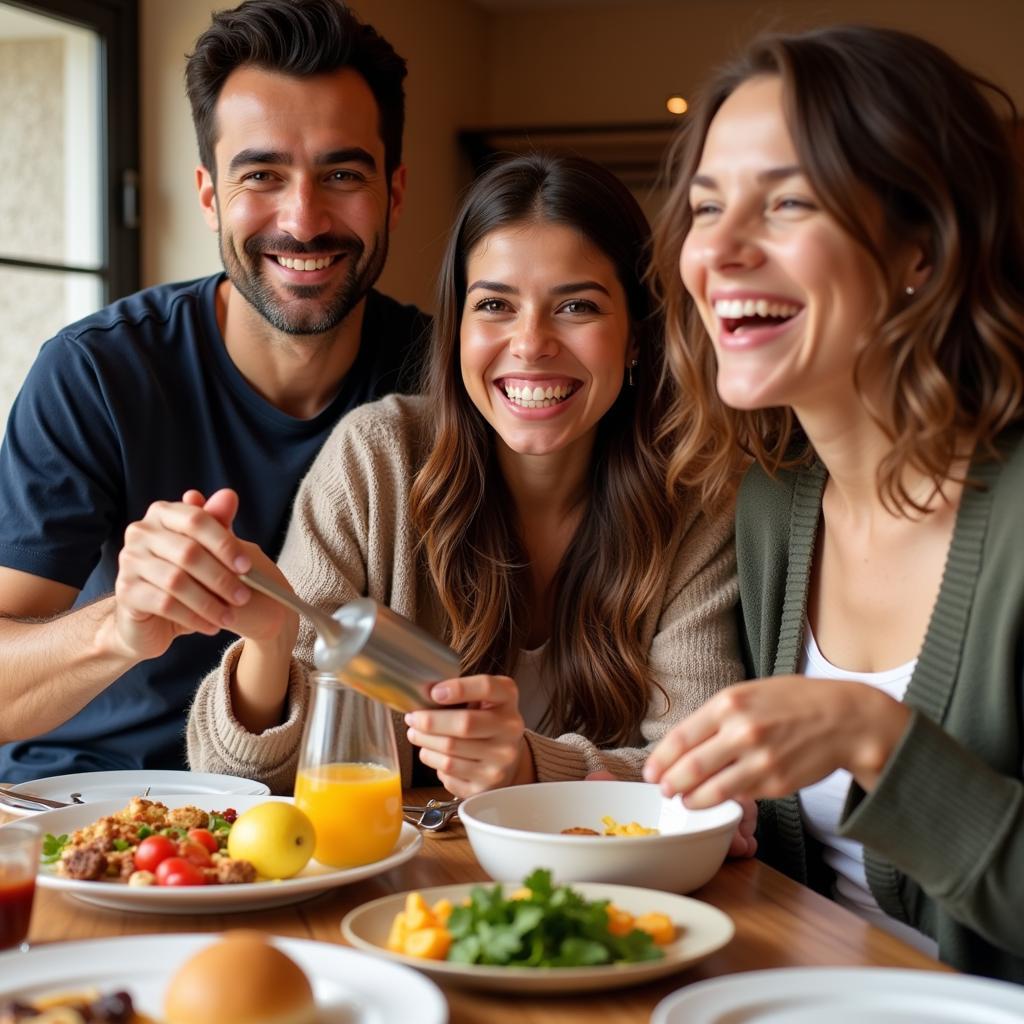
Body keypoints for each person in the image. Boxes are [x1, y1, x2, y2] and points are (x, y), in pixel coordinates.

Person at [123, 152, 743, 798]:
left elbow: (703, 766)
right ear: (457, 331)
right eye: (496, 305)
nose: (530, 343)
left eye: (577, 307)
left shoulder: (692, 500)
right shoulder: (378, 459)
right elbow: (243, 780)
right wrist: (272, 639)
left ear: (636, 336)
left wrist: (531, 767)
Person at [643, 25, 1024, 980]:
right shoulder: (775, 505)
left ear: (923, 251)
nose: (719, 250)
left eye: (788, 203)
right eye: (705, 208)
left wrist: (875, 737)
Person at [0, 0, 427, 782]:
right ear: (208, 196)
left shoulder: (447, 379)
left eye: (342, 174)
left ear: (394, 192)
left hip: (333, 814)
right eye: (261, 175)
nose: (303, 220)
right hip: (87, 806)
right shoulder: (97, 373)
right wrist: (119, 629)